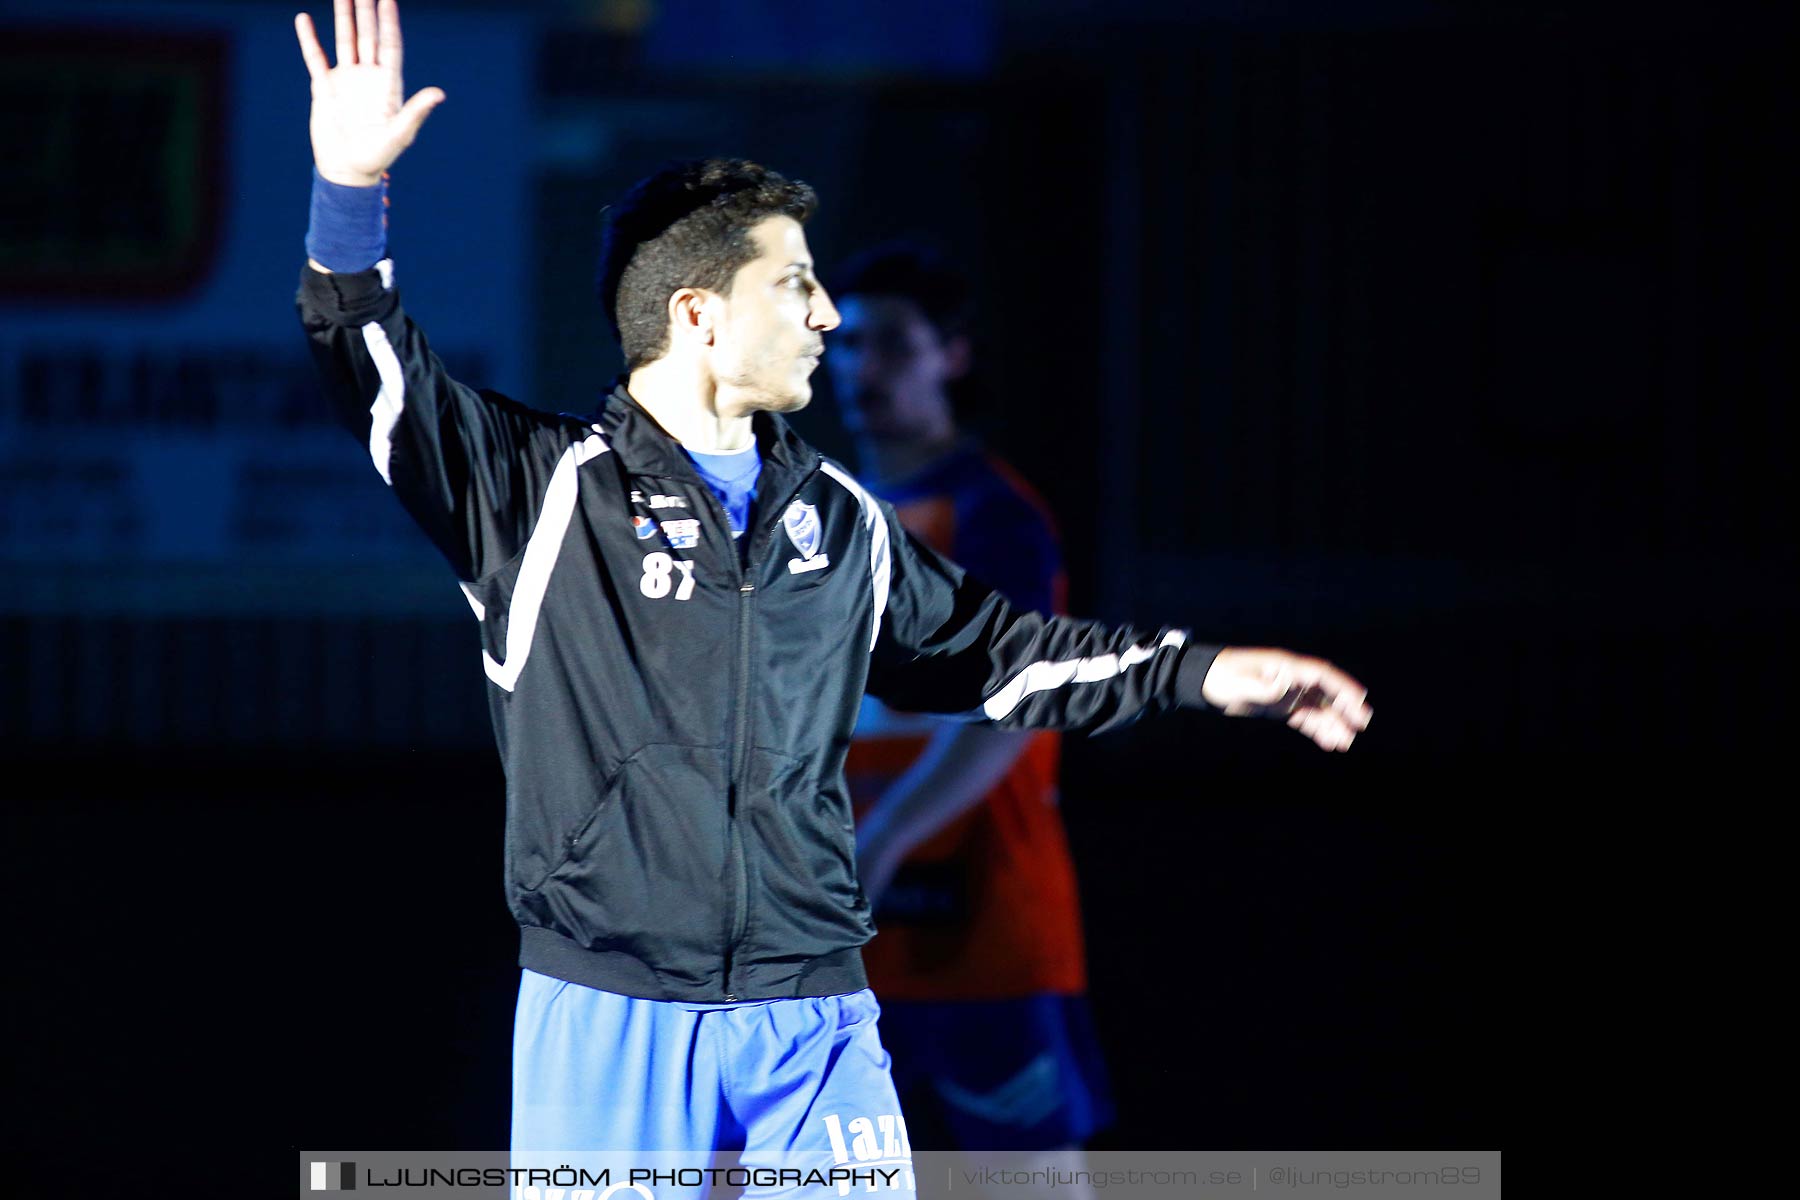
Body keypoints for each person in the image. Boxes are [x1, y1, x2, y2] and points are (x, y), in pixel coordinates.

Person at [292, 0, 1371, 1188]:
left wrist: (1208, 673)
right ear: (697, 315)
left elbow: (998, 654)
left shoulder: (843, 520)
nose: (824, 315)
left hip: (817, 1016)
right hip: (608, 1016)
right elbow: (371, 362)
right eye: (795, 285)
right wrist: (349, 195)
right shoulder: (539, 491)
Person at [830, 245, 1112, 1176]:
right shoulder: (827, 519)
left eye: (896, 344)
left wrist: (884, 841)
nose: (865, 367)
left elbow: (1020, 708)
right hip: (843, 940)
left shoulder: (996, 516)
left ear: (952, 356)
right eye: (849, 342)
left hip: (980, 924)